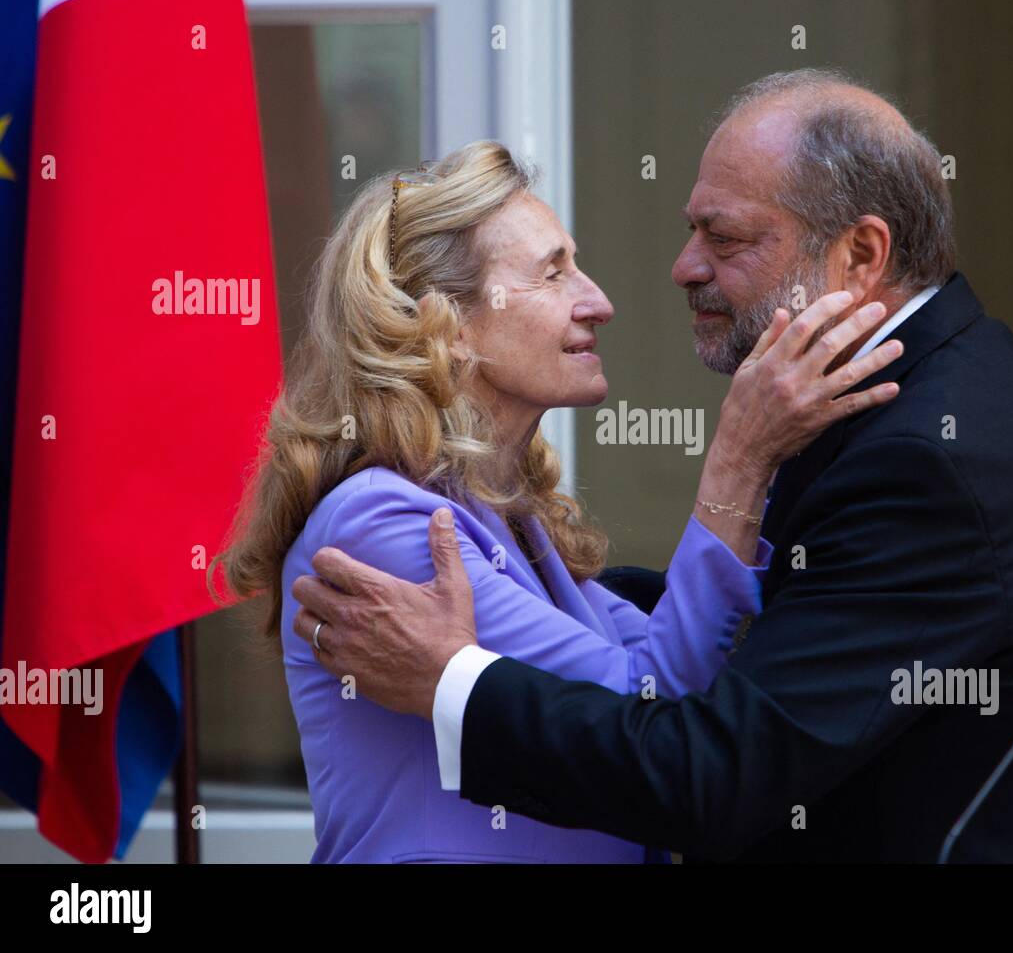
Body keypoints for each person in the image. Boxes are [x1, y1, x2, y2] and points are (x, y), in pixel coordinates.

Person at [291, 70, 1013, 862]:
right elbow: (696, 669)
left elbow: (702, 756)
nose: (678, 269)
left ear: (860, 256)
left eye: (725, 237)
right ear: (445, 321)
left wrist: (454, 683)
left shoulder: (931, 458)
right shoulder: (915, 402)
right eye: (556, 272)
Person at [215, 139, 904, 862]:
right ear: (442, 323)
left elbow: (683, 681)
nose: (598, 302)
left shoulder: (511, 519)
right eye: (554, 273)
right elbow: (652, 701)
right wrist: (737, 462)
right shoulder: (381, 522)